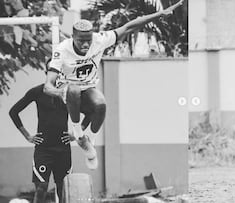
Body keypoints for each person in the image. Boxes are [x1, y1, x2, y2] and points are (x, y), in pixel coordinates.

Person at [43, 0, 184, 170]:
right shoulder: (62, 50)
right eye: (81, 41)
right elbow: (47, 86)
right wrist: (61, 93)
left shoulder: (100, 40)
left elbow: (128, 27)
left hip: (87, 90)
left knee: (101, 103)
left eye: (88, 40)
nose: (86, 45)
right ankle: (79, 135)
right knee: (73, 89)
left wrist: (158, 14)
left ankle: (89, 143)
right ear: (73, 37)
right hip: (68, 94)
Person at [9, 62, 75, 203]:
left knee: (63, 189)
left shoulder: (69, 93)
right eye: (52, 71)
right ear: (47, 73)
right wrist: (27, 136)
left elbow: (89, 112)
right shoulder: (37, 92)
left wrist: (75, 134)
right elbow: (13, 112)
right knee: (41, 188)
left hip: (63, 149)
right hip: (43, 149)